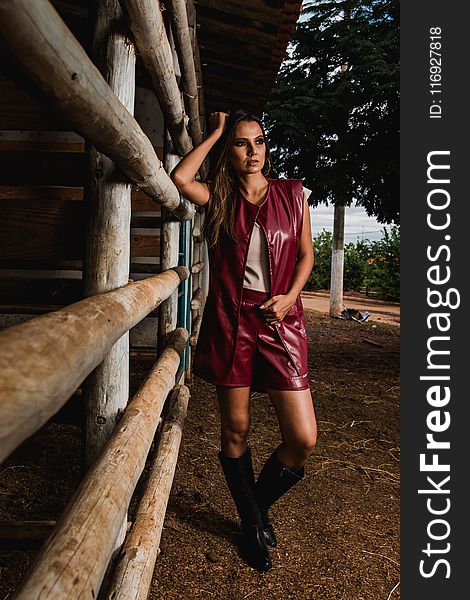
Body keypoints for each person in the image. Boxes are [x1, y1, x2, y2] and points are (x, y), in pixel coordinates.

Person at [170, 109, 317, 571]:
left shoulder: (294, 195)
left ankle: (253, 507)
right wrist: (214, 132)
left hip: (281, 321)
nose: (252, 151)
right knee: (236, 430)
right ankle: (251, 525)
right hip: (232, 322)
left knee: (303, 438)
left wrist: (289, 297)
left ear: (267, 148)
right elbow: (179, 176)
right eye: (240, 143)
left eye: (258, 142)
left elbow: (307, 257)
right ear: (229, 153)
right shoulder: (217, 199)